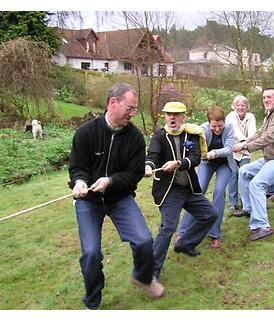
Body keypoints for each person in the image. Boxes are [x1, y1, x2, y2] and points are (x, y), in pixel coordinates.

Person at [68, 83, 164, 310]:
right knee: (91, 254)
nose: (132, 114)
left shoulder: (135, 138)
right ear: (113, 103)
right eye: (129, 108)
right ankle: (93, 302)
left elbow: (134, 174)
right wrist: (80, 182)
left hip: (119, 198)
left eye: (135, 110)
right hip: (89, 202)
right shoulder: (86, 133)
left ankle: (142, 277)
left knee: (143, 240)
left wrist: (110, 181)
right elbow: (77, 167)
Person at [144, 101, 217, 279]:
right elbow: (153, 155)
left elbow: (196, 158)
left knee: (210, 215)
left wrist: (178, 163)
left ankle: (184, 244)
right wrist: (148, 165)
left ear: (183, 117)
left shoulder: (191, 135)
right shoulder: (159, 136)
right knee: (168, 227)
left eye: (176, 115)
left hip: (189, 188)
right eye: (169, 114)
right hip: (169, 192)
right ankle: (151, 272)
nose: (172, 118)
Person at [231, 88, 274, 241]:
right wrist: (244, 142)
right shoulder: (270, 114)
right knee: (245, 171)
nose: (266, 100)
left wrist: (246, 147)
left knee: (257, 184)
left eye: (269, 97)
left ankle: (262, 226)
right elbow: (260, 133)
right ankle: (249, 209)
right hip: (271, 158)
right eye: (264, 98)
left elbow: (269, 138)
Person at [177, 106, 236, 249]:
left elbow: (229, 149)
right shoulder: (203, 128)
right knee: (198, 191)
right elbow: (194, 139)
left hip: (224, 164)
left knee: (219, 192)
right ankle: (183, 231)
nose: (217, 129)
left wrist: (214, 153)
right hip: (207, 163)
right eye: (214, 126)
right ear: (209, 123)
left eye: (220, 126)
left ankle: (215, 234)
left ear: (224, 121)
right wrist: (189, 144)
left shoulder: (229, 128)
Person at [225, 95, 257, 211]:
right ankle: (233, 203)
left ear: (247, 106)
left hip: (245, 150)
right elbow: (235, 133)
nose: (240, 107)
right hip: (232, 149)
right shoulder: (230, 116)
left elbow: (253, 133)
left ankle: (246, 202)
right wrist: (246, 142)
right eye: (237, 105)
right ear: (234, 106)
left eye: (243, 105)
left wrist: (244, 145)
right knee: (233, 174)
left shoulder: (251, 116)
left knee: (245, 173)